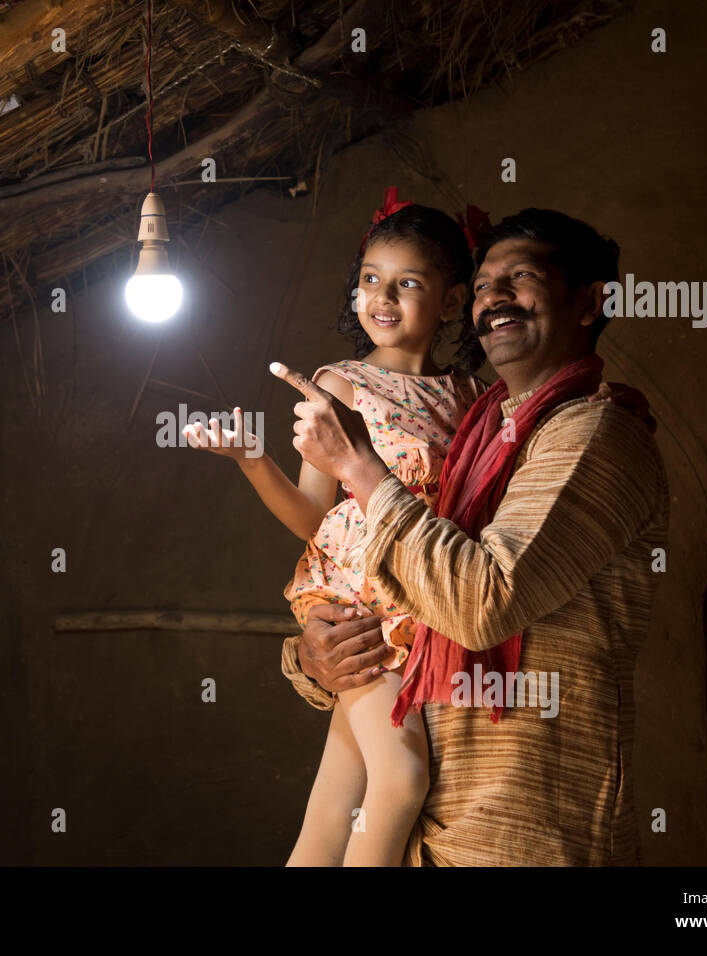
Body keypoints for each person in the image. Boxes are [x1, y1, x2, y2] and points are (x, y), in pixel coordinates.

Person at [271, 208, 669, 866]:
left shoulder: (591, 434)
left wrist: (361, 467)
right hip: (431, 831)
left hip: (521, 834)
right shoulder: (474, 432)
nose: (496, 298)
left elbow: (477, 602)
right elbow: (401, 589)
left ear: (591, 301)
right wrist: (320, 660)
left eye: (522, 278)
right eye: (485, 284)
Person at [185, 189, 487, 865]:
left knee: (331, 811)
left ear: (450, 301)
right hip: (357, 606)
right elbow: (312, 517)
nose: (383, 297)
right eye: (370, 280)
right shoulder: (341, 386)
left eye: (408, 282)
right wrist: (252, 460)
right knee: (403, 777)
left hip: (423, 605)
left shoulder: (471, 396)